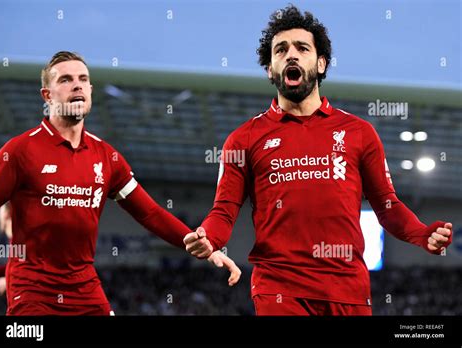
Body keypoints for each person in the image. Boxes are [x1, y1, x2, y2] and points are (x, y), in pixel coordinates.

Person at [183, 5, 453, 316]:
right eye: (281, 50)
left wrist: (422, 234)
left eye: (302, 48)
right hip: (279, 290)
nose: (291, 55)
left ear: (321, 63)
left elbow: (387, 206)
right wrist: (209, 236)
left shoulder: (359, 133)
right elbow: (224, 210)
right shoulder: (243, 139)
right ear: (270, 69)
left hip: (348, 291)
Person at [0, 51, 240, 316]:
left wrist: (203, 247)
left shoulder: (106, 157)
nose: (77, 85)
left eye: (83, 79)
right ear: (47, 95)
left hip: (85, 289)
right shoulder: (20, 151)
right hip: (33, 292)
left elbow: (149, 212)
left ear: (90, 90)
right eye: (65, 79)